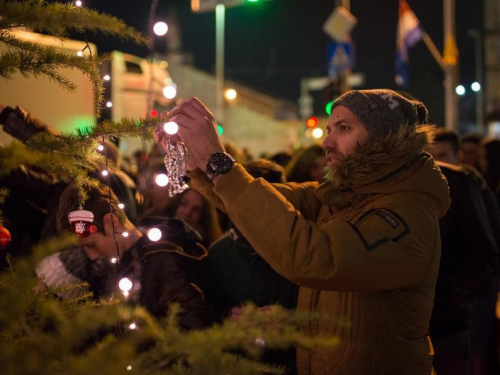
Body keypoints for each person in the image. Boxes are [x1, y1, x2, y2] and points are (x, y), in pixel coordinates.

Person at [156, 89, 451, 374]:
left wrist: (219, 162)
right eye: (329, 129)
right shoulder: (341, 196)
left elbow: (318, 258)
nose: (327, 143)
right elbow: (253, 201)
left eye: (344, 128)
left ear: (384, 138)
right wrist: (195, 163)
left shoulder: (407, 214)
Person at [56, 184, 213, 330]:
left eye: (91, 245)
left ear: (111, 222)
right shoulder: (119, 259)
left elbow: (194, 332)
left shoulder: (164, 261)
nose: (92, 256)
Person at [201, 158, 299, 374]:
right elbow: (205, 311)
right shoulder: (219, 253)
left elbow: (320, 308)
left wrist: (290, 318)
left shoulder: (300, 247)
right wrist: (229, 316)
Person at [429, 129, 500, 375]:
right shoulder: (418, 186)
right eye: (430, 155)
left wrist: (450, 293)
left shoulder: (463, 183)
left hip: (457, 310)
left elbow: (486, 252)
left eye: (442, 155)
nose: (436, 162)